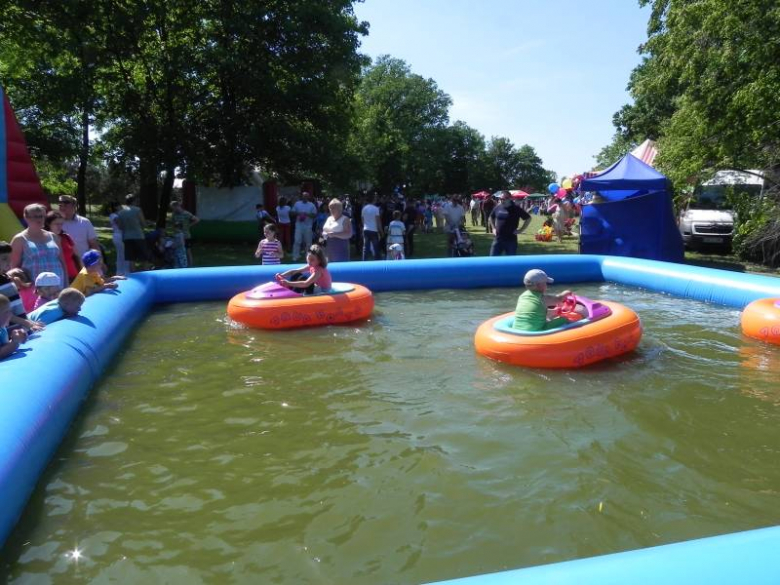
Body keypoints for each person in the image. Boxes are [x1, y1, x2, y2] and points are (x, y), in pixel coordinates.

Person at [10, 204, 67, 287]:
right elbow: (13, 268)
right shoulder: (20, 239)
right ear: (26, 218)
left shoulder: (53, 237)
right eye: (36, 216)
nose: (40, 219)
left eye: (42, 216)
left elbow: (62, 262)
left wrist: (66, 284)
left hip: (57, 286)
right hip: (34, 288)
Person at [0, 241, 43, 332]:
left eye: (9, 258)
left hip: (21, 326)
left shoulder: (6, 277)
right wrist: (26, 323)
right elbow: (3, 312)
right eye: (4, 259)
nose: (9, 261)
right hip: (10, 331)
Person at [488, 191, 532, 256]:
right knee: (492, 259)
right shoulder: (498, 207)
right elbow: (491, 217)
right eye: (500, 199)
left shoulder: (516, 208)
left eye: (503, 199)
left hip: (511, 240)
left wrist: (521, 230)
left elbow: (528, 218)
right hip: (498, 239)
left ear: (509, 199)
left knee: (511, 260)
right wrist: (493, 228)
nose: (501, 201)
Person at [45, 210, 82, 280]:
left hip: (74, 276)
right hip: (56, 277)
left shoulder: (66, 237)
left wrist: (83, 273)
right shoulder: (44, 240)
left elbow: (77, 256)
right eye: (56, 224)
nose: (59, 226)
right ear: (48, 224)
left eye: (61, 224)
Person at [117, 194, 149, 273]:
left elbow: (120, 226)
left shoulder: (120, 212)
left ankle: (133, 276)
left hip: (127, 237)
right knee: (144, 258)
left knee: (131, 259)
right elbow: (143, 224)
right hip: (139, 236)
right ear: (134, 201)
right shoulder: (138, 210)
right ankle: (146, 274)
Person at [321, 198, 352, 262]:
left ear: (340, 209)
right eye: (330, 208)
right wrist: (321, 242)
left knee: (340, 265)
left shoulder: (345, 219)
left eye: (333, 208)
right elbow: (324, 232)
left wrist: (334, 234)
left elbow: (349, 234)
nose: (331, 210)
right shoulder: (329, 218)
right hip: (328, 247)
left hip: (340, 247)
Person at [170, 200, 200, 267]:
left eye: (173, 208)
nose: (173, 210)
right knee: (178, 251)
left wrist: (189, 225)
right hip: (178, 236)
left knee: (188, 251)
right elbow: (172, 223)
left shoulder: (186, 214)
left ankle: (190, 265)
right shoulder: (174, 214)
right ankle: (180, 265)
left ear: (177, 206)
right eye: (172, 208)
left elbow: (197, 220)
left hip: (186, 236)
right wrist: (174, 229)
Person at [0, 294, 28, 361]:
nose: (10, 314)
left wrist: (16, 338)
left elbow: (4, 346)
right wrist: (15, 343)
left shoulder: (2, 329)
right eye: (6, 312)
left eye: (10, 311)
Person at [291, 192, 317, 261]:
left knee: (308, 242)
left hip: (308, 226)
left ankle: (308, 256)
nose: (305, 197)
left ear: (308, 197)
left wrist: (306, 214)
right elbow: (292, 213)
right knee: (297, 240)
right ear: (301, 197)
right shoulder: (297, 204)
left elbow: (314, 215)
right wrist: (299, 213)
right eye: (303, 196)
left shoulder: (311, 205)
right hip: (299, 225)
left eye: (306, 196)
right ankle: (295, 256)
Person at [107, 202, 129, 276]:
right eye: (120, 206)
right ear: (116, 207)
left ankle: (121, 272)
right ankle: (123, 272)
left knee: (121, 255)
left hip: (121, 236)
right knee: (122, 255)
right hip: (118, 236)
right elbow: (120, 224)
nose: (121, 207)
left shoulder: (117, 215)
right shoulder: (113, 215)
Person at [361, 195, 383, 261]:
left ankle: (364, 262)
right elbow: (378, 221)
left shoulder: (364, 208)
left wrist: (364, 227)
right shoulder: (376, 209)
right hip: (374, 230)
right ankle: (377, 262)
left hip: (366, 229)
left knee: (366, 248)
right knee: (376, 248)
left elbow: (362, 220)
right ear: (373, 200)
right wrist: (381, 231)